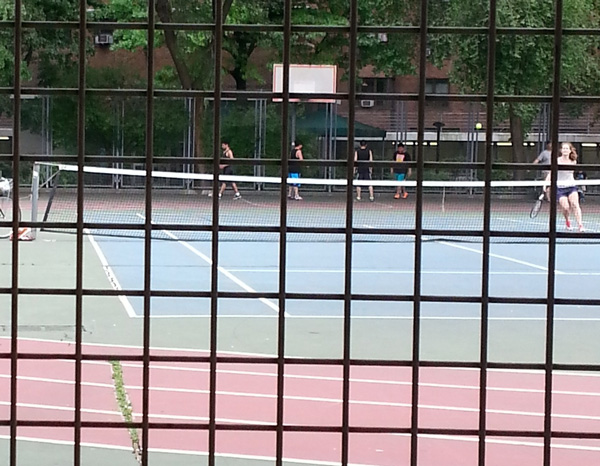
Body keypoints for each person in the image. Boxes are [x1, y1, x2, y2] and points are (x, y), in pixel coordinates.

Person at [544, 142, 584, 231]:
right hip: (560, 188)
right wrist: (545, 184)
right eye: (564, 148)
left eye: (567, 148)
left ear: (570, 150)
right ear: (561, 150)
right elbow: (551, 174)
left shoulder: (573, 161)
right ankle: (567, 221)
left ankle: (580, 225)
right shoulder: (557, 161)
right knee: (565, 207)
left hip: (571, 186)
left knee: (575, 204)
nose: (565, 150)